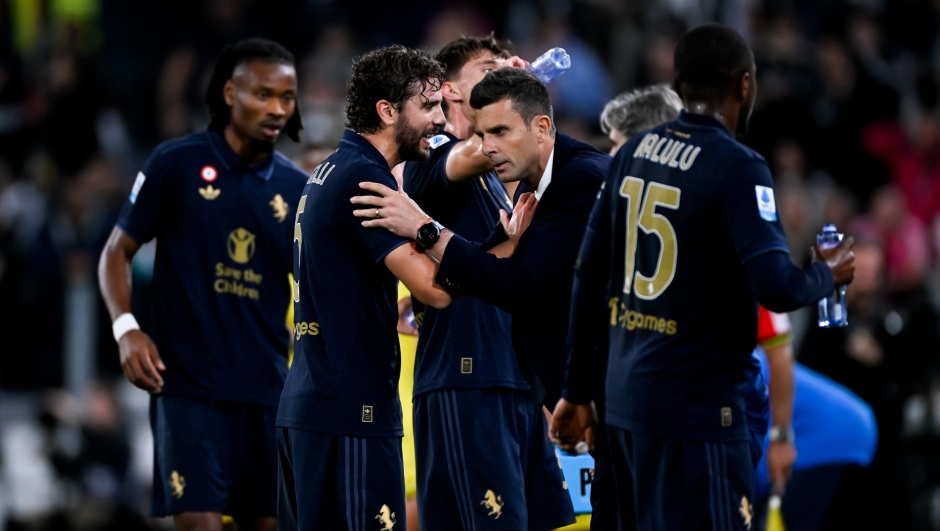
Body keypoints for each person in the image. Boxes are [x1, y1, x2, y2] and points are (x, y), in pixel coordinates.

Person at [552, 24, 856, 531]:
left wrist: (577, 388)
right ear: (744, 85)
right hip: (698, 415)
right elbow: (777, 287)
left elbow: (588, 275)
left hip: (625, 406)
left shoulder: (631, 153)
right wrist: (828, 274)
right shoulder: (738, 167)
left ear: (680, 82)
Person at [98, 38, 306, 531]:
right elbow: (114, 253)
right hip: (187, 387)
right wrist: (126, 329)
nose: (277, 109)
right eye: (263, 94)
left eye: (287, 98)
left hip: (267, 392)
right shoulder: (176, 163)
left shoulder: (297, 189)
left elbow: (314, 284)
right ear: (231, 94)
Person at [352, 68, 611, 420]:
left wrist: (424, 228)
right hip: (567, 389)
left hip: (612, 390)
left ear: (542, 127)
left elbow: (521, 285)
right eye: (482, 134)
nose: (488, 147)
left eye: (500, 132)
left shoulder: (581, 179)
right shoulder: (531, 183)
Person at [275, 45, 456, 531]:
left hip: (312, 403)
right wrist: (436, 231)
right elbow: (435, 289)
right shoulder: (364, 180)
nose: (441, 120)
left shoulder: (329, 169)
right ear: (387, 110)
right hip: (351, 409)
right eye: (430, 106)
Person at [399, 35, 575, 531]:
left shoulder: (498, 176)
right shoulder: (433, 158)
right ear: (451, 93)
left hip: (514, 382)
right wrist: (518, 98)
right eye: (488, 69)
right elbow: (467, 155)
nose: (502, 73)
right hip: (466, 380)